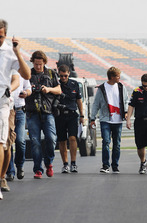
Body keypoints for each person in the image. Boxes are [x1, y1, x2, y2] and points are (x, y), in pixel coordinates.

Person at [0, 19, 31, 200]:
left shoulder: (9, 53)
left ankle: (2, 177)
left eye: (1, 36)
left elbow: (25, 75)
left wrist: (17, 51)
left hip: (4, 103)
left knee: (4, 144)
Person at [25, 50, 61, 179]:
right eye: (36, 64)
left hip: (48, 112)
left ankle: (49, 163)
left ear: (44, 62)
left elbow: (59, 90)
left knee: (51, 139)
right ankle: (38, 169)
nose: (38, 67)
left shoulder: (51, 73)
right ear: (33, 63)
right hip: (31, 112)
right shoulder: (27, 73)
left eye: (40, 64)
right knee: (35, 142)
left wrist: (48, 89)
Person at [91, 67, 128, 173]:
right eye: (117, 76)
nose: (119, 78)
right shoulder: (102, 88)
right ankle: (105, 165)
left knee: (117, 144)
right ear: (112, 77)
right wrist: (92, 118)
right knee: (106, 142)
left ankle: (115, 165)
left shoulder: (121, 87)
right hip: (105, 119)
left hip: (118, 120)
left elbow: (126, 100)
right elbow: (96, 104)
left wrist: (125, 112)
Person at [55, 64, 84, 173]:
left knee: (73, 138)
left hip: (72, 114)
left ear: (69, 74)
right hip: (60, 115)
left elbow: (79, 101)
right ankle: (65, 164)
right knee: (62, 140)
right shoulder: (56, 84)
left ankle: (73, 163)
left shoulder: (74, 84)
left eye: (65, 76)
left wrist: (82, 115)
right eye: (61, 76)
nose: (63, 78)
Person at [6, 75, 31, 181]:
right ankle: (10, 171)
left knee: (20, 140)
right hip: (6, 109)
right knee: (8, 141)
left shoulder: (21, 71)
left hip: (20, 110)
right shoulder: (4, 70)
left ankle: (20, 165)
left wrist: (26, 93)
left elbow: (28, 88)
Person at [0, 70, 20, 192]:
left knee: (6, 144)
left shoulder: (8, 59)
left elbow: (16, 80)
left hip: (7, 108)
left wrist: (9, 89)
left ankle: (2, 177)